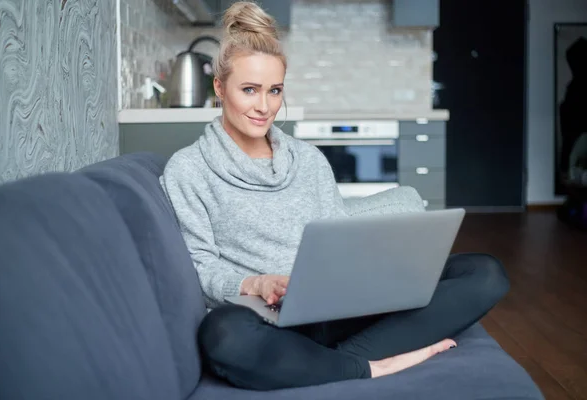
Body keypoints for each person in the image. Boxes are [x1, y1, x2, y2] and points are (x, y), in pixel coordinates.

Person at [160, 1, 510, 391]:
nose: (264, 106)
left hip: (340, 310)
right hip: (269, 322)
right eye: (249, 90)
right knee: (222, 334)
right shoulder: (188, 169)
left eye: (274, 91)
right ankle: (369, 367)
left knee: (484, 273)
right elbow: (202, 268)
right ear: (219, 88)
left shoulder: (308, 160)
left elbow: (338, 237)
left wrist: (382, 270)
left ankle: (330, 364)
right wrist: (255, 283)